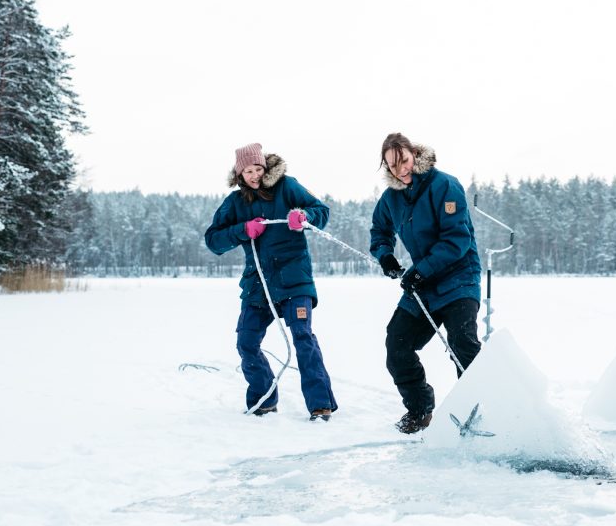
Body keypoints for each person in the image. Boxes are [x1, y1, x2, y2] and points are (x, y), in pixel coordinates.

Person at [204, 143, 337, 420]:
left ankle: (320, 405)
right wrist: (242, 230)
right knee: (246, 342)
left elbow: (320, 210)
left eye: (258, 169)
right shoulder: (235, 202)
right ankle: (264, 400)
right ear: (240, 174)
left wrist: (304, 217)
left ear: (266, 167)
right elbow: (213, 240)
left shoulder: (287, 186)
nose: (254, 175)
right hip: (258, 285)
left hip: (294, 281)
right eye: (248, 171)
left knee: (302, 337)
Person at [370, 132, 483, 433]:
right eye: (392, 165)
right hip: (424, 286)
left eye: (403, 160)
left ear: (414, 154)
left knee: (462, 344)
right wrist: (385, 257)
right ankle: (420, 411)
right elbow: (378, 231)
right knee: (397, 343)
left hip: (459, 278)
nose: (400, 169)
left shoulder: (444, 185)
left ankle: (484, 410)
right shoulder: (391, 198)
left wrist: (420, 271)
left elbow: (456, 240)